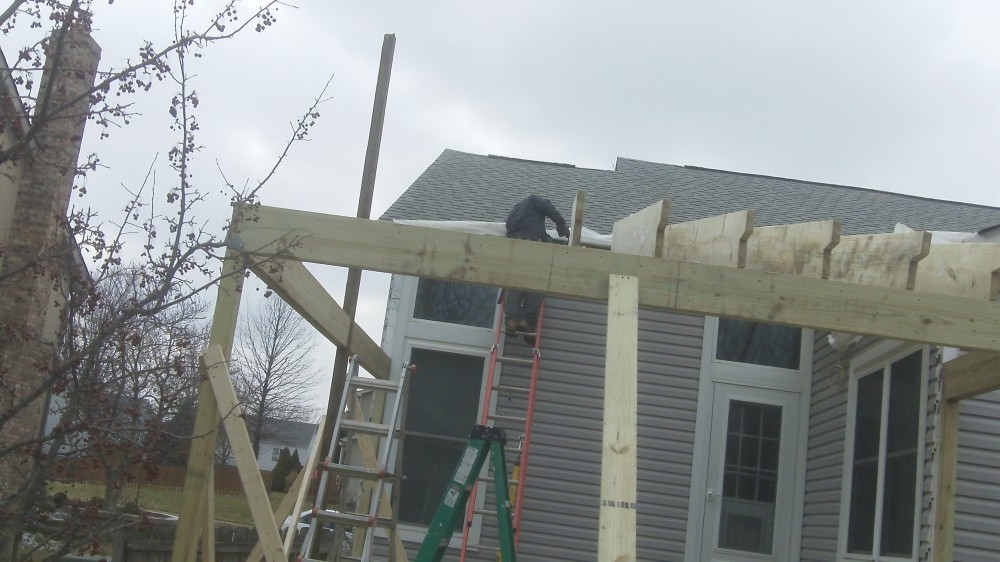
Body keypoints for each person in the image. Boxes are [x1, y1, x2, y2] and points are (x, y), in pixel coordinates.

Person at [504, 195, 570, 340]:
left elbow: (524, 230)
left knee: (516, 283)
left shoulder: (513, 214)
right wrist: (560, 223)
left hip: (513, 247)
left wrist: (546, 238)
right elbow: (545, 204)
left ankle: (512, 320)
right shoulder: (532, 200)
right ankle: (527, 321)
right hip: (531, 244)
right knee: (538, 282)